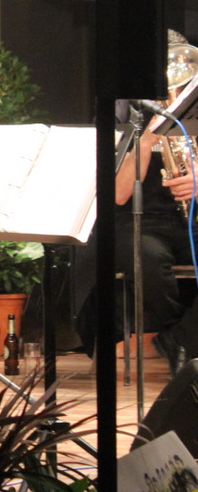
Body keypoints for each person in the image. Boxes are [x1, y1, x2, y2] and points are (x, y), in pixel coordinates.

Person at [75, 95, 198, 376]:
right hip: (135, 222)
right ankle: (177, 340)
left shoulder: (192, 113)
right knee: (148, 257)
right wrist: (144, 143)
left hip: (189, 220)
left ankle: (174, 340)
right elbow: (117, 194)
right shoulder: (117, 115)